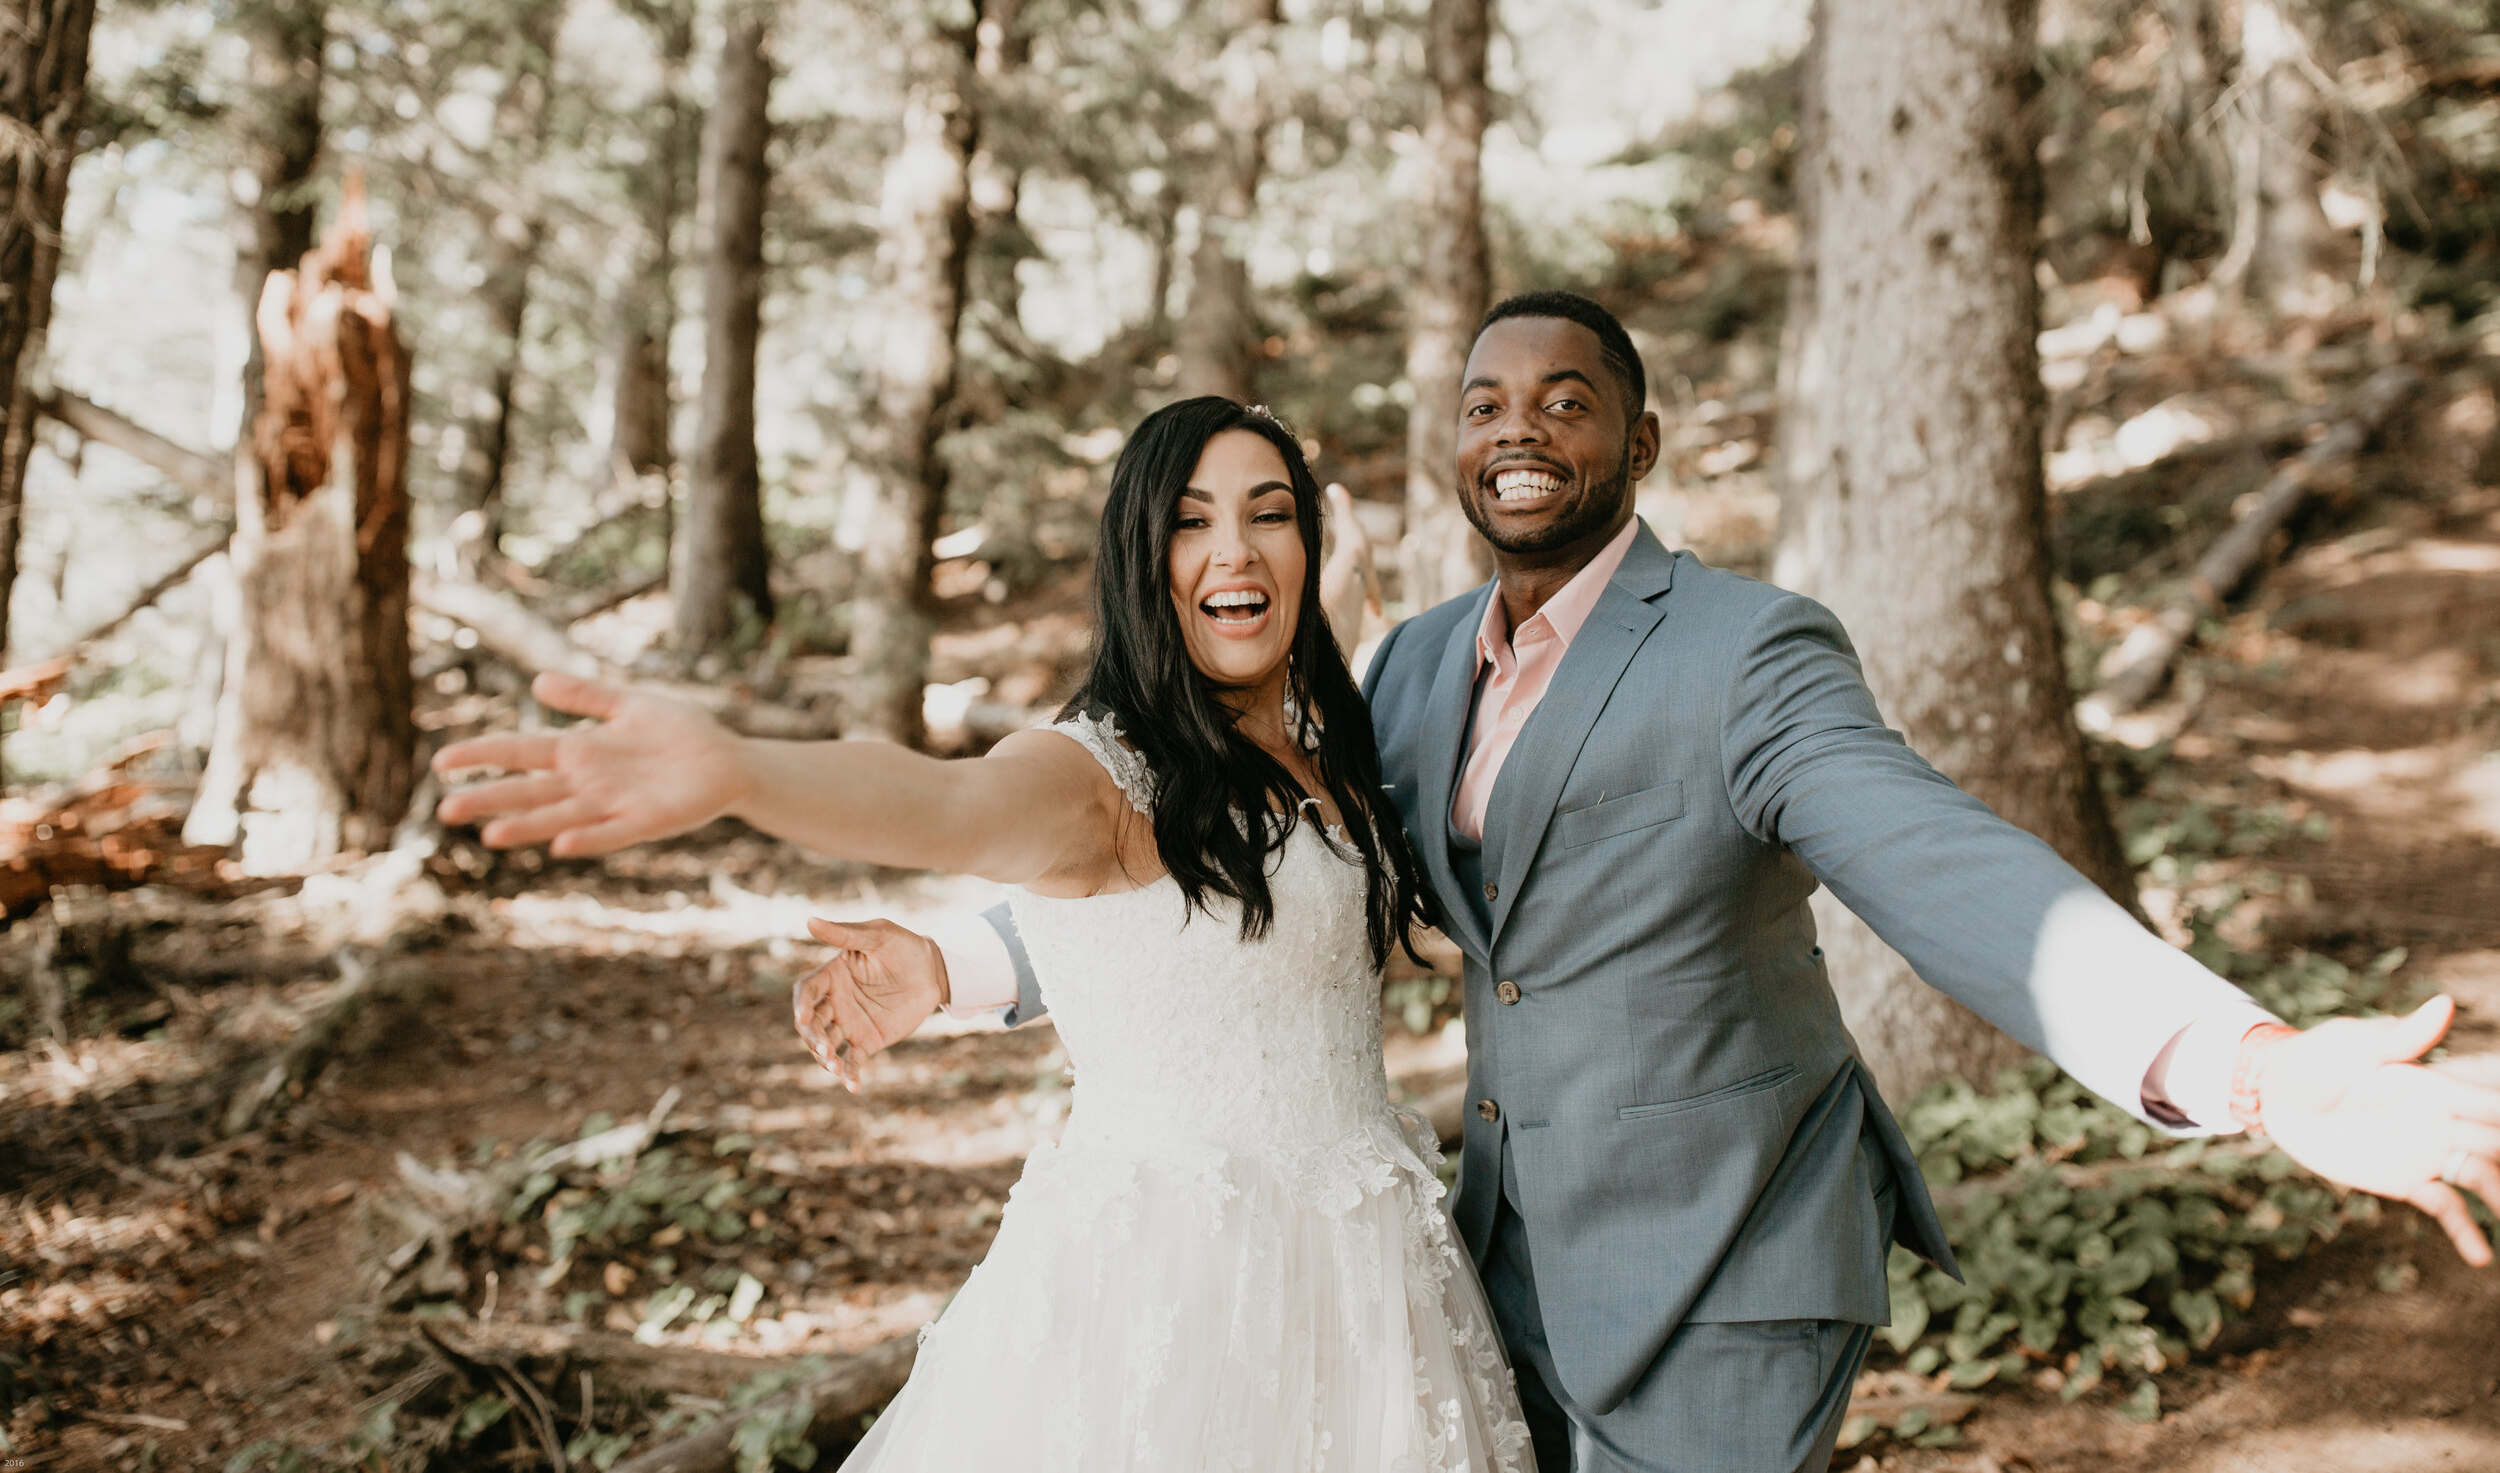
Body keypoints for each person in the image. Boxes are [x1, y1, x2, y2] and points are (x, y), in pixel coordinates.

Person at [799, 291, 2500, 1473]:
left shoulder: (1753, 655)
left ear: (1642, 439)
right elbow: (1238, 874)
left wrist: (2251, 1062)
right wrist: (954, 966)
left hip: (1729, 1256)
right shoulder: (1402, 669)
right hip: (1484, 1268)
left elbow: (1945, 865)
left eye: (1566, 400)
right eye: (1485, 402)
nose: (1519, 429)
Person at [432, 398, 1537, 1472]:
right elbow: (941, 800)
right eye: (1191, 521)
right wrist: (742, 772)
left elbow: (1265, 936)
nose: (1234, 551)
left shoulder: (1318, 744)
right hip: (1178, 1292)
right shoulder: (1094, 774)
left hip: (1371, 1273)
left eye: (1267, 514)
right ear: (1136, 558)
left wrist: (954, 964)